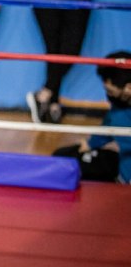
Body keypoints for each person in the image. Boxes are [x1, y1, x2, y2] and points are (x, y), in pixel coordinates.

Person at [53, 51, 131, 184]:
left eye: (110, 91)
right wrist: (89, 144)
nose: (108, 95)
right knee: (63, 155)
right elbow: (107, 129)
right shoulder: (118, 109)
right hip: (122, 174)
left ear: (128, 87)